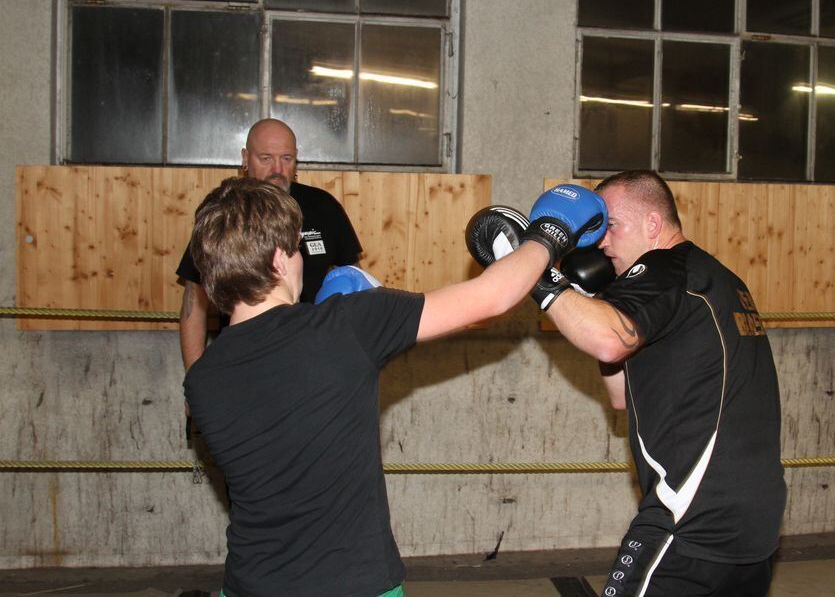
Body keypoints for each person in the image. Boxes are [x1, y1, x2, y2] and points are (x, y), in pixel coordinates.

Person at [183, 178, 606, 596]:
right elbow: (489, 299)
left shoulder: (201, 380)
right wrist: (549, 234)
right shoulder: (346, 325)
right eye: (296, 250)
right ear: (279, 259)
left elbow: (284, 390)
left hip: (248, 583)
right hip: (353, 585)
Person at [533, 170, 786, 596]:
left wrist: (539, 275)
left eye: (610, 226)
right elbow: (619, 397)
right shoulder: (713, 276)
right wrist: (599, 302)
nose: (601, 243)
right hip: (752, 515)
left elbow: (608, 342)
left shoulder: (664, 268)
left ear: (652, 224)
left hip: (691, 514)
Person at [177, 118, 362, 372]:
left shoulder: (323, 207)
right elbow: (193, 305)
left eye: (286, 158)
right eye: (266, 158)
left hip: (314, 359)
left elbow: (354, 282)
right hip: (245, 360)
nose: (277, 169)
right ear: (245, 158)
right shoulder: (225, 213)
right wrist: (194, 380)